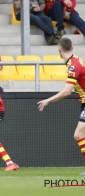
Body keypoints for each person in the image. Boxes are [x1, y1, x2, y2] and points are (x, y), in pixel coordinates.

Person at [37, 38, 85, 175]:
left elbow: (66, 91)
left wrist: (48, 100)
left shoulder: (73, 65)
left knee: (78, 134)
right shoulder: (75, 60)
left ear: (59, 50)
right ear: (72, 47)